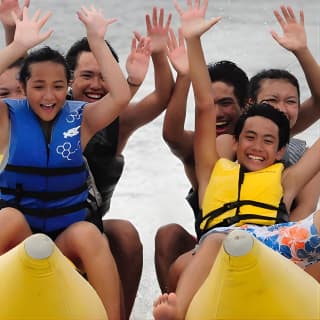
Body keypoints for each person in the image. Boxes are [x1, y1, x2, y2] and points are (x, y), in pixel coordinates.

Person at [153, 1, 320, 318]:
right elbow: (204, 105)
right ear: (234, 141)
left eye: (268, 140)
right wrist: (192, 41)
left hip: (271, 249)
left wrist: (303, 51)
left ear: (280, 151)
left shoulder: (285, 181)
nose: (257, 147)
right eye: (250, 137)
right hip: (218, 245)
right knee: (219, 239)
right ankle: (180, 311)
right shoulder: (212, 172)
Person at [0, 5, 131, 320]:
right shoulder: (7, 118)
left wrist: (97, 41)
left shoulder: (81, 120)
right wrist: (17, 45)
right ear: (24, 89)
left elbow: (121, 96)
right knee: (7, 217)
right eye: (39, 86)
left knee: (88, 234)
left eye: (58, 86)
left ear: (68, 87)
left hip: (64, 241)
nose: (49, 95)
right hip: (21, 236)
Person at [65, 6, 174, 319]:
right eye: (87, 75)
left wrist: (157, 53)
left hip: (92, 230)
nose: (97, 84)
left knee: (124, 233)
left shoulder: (118, 122)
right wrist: (11, 31)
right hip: (42, 225)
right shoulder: (48, 116)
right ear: (68, 79)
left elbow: (163, 96)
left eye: (105, 75)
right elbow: (19, 83)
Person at [155, 26, 249, 293]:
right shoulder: (197, 147)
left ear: (245, 105)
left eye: (227, 103)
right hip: (207, 249)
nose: (217, 113)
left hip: (259, 248)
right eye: (210, 102)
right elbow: (171, 135)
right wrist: (184, 76)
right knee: (168, 234)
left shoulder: (267, 141)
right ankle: (173, 306)